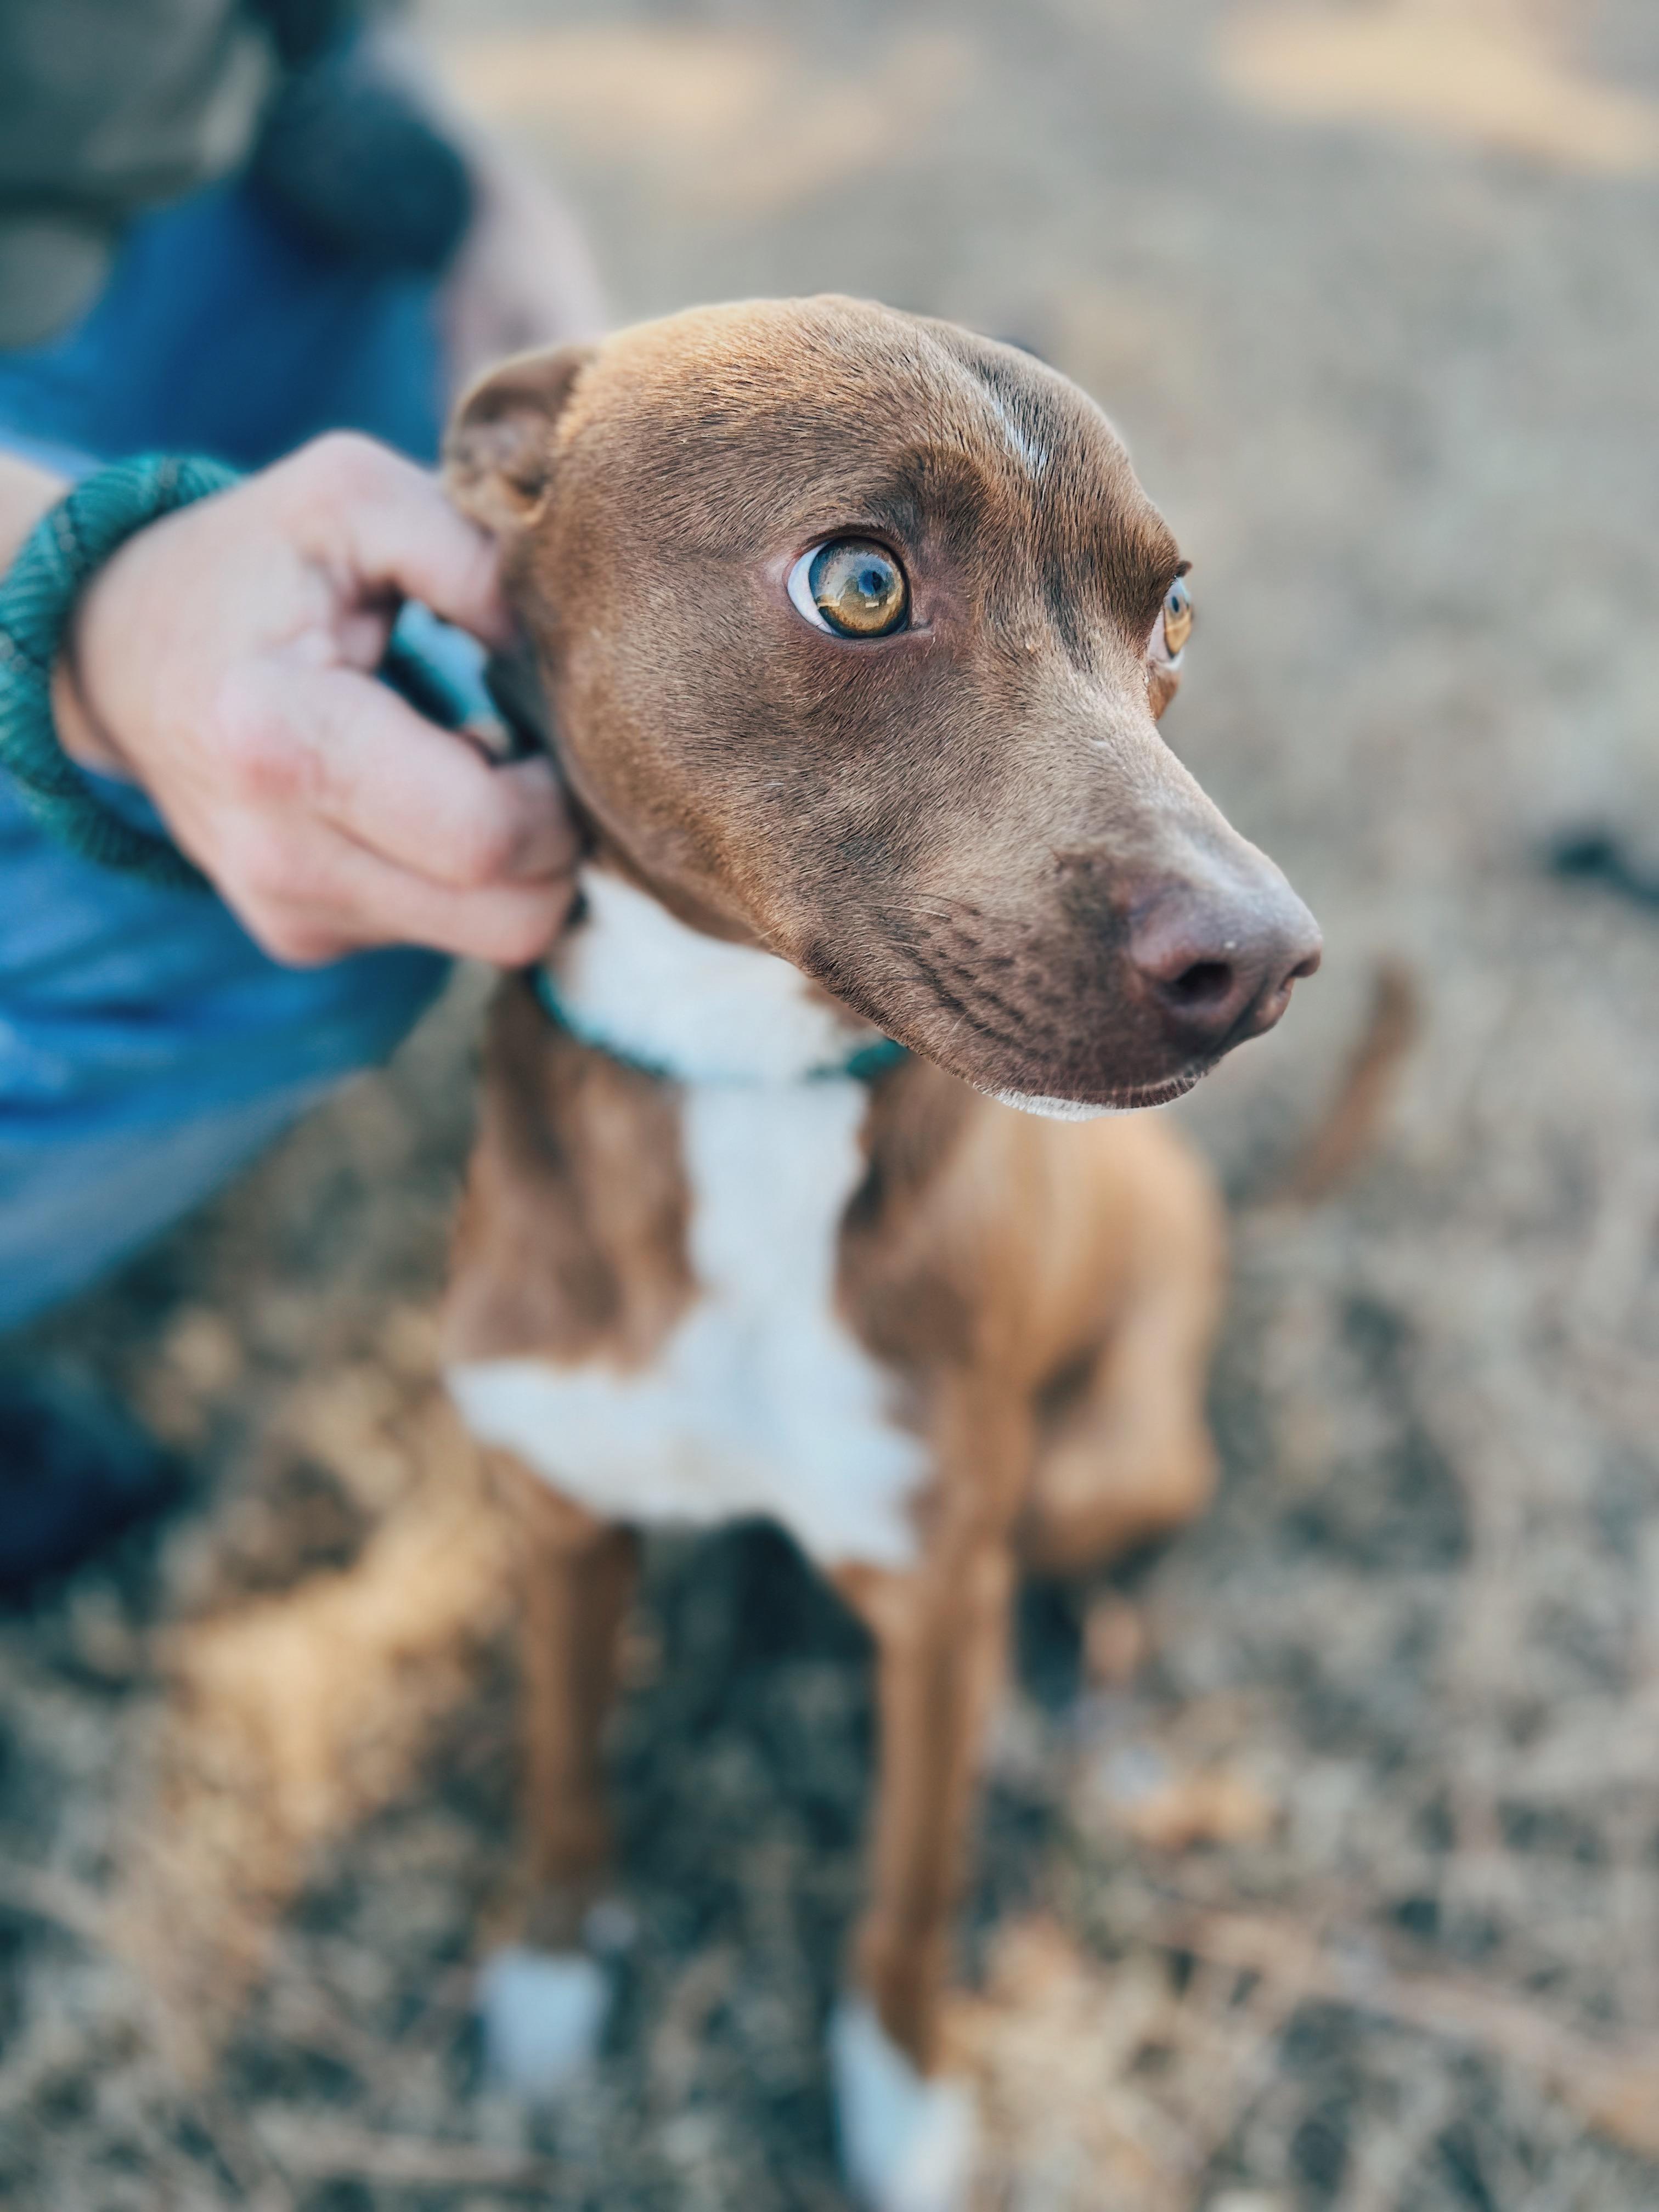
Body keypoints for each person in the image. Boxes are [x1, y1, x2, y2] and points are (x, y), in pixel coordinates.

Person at [0, 0, 596, 1588]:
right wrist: (93, 601)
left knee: (425, 644)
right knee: (253, 886)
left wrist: (461, 168)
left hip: (90, 243)